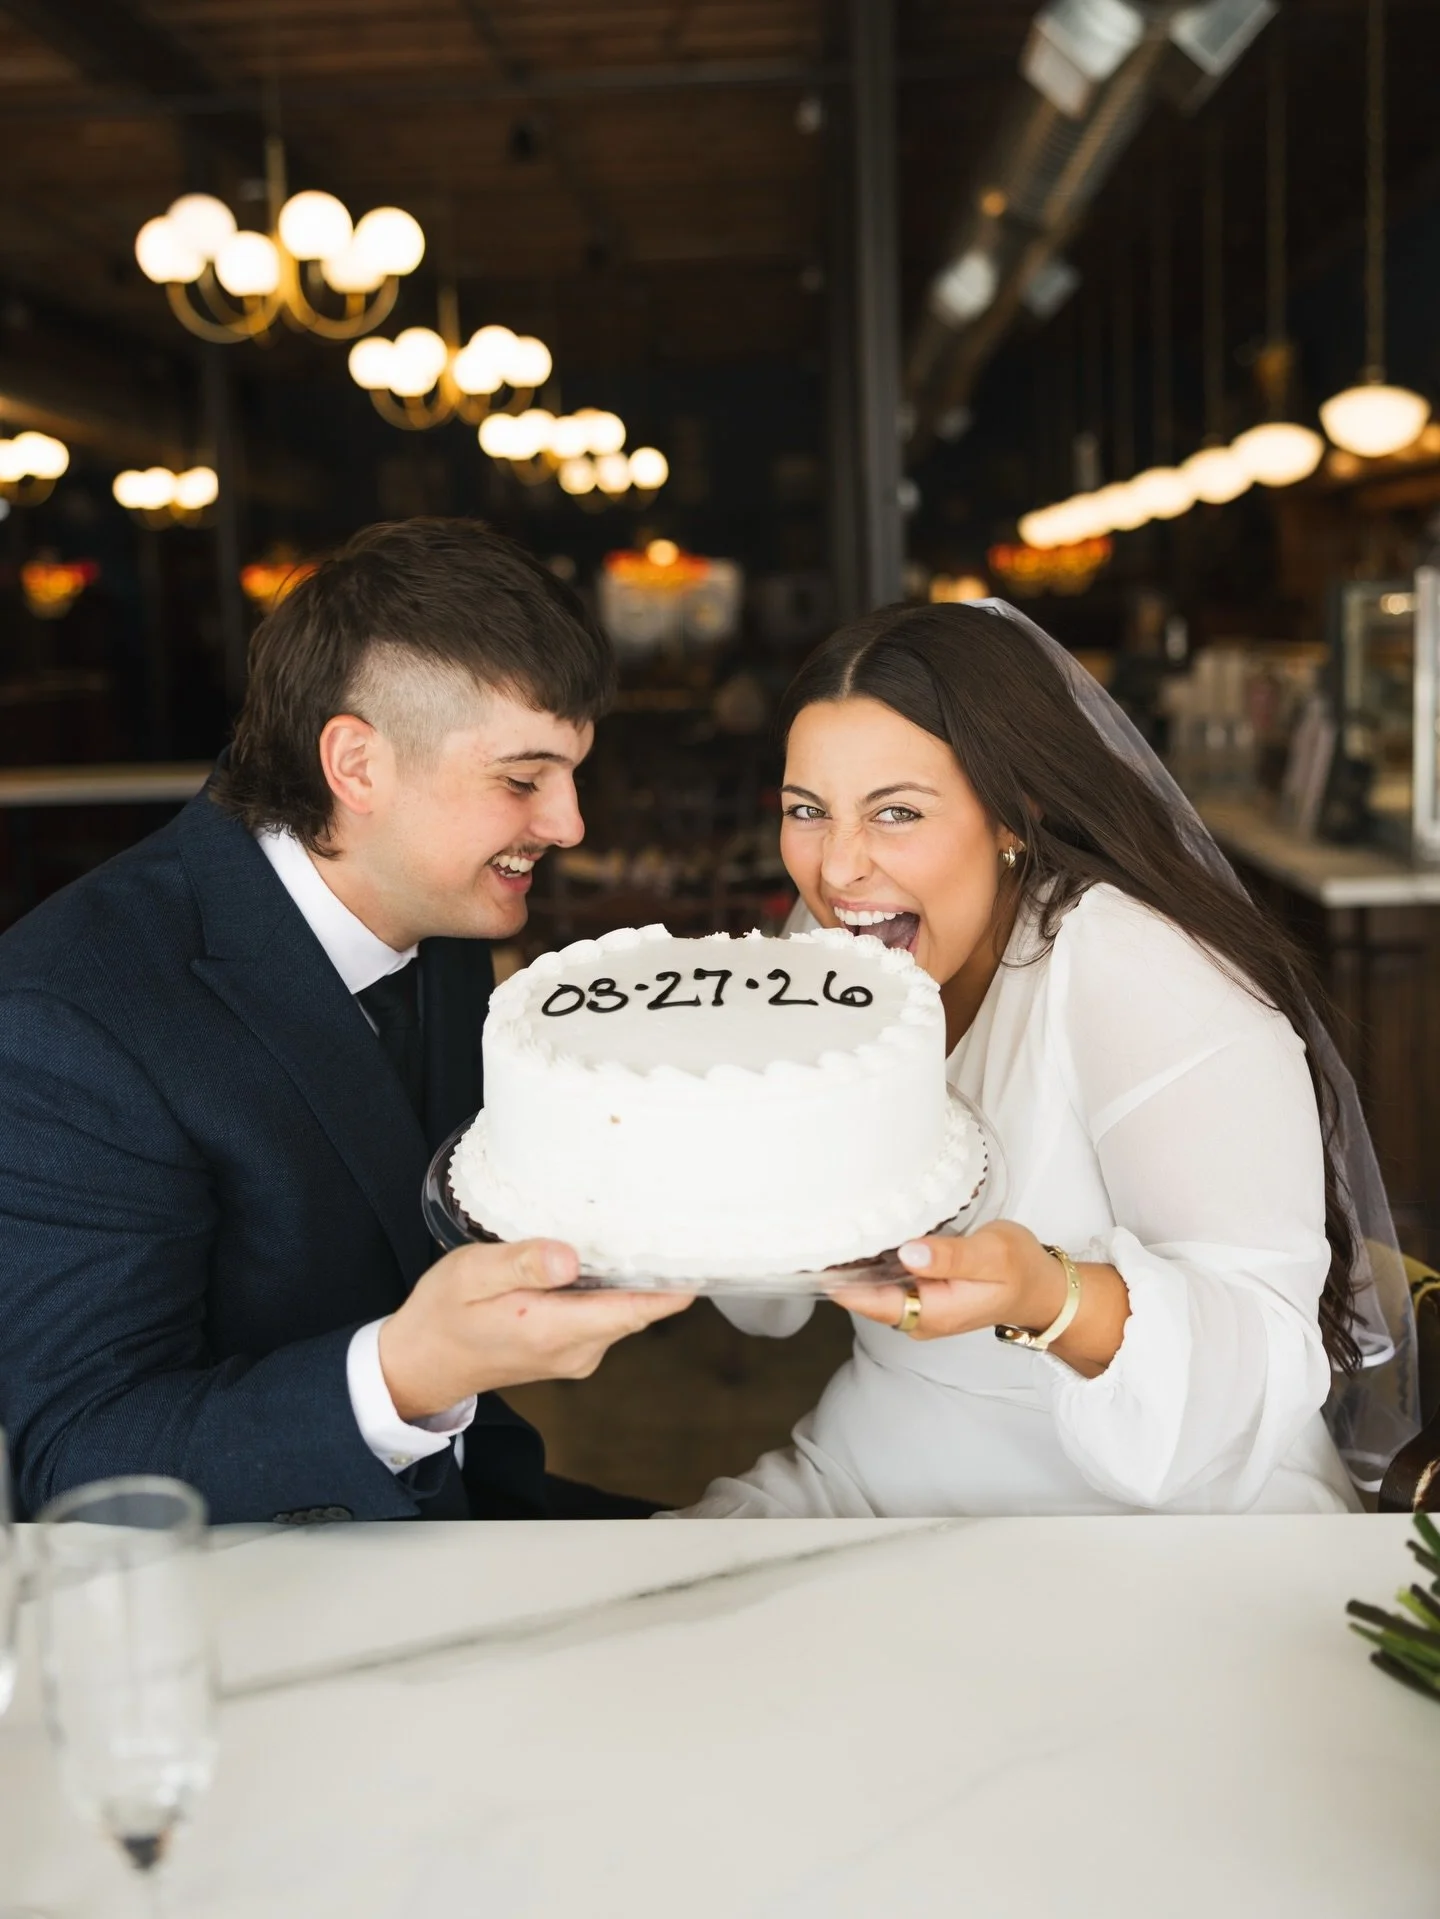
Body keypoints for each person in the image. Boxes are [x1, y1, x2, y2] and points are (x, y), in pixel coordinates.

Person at [0, 518, 689, 1524]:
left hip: (459, 1507)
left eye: (572, 771)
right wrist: (407, 1373)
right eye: (521, 778)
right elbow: (78, 1459)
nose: (568, 823)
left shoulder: (434, 902)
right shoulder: (68, 1023)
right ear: (357, 765)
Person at [681, 599, 1415, 1518]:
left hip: (1164, 1506)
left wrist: (1046, 1294)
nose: (837, 869)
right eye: (806, 811)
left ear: (1012, 814)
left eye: (896, 811)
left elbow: (1260, 1355)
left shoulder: (1135, 968)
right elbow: (769, 1295)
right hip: (876, 1458)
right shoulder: (831, 945)